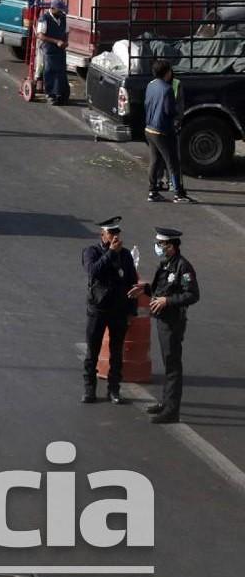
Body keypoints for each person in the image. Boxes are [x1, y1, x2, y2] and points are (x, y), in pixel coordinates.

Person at [131, 226, 197, 424]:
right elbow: (162, 290)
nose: (158, 247)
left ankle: (172, 410)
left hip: (173, 322)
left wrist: (167, 302)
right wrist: (145, 290)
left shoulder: (182, 267)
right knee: (168, 363)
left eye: (161, 243)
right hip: (163, 320)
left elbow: (192, 295)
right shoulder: (166, 264)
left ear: (171, 246)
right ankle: (165, 402)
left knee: (173, 365)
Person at [80, 216, 138, 405]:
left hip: (118, 310)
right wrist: (111, 253)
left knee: (116, 352)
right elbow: (93, 271)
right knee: (92, 352)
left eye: (117, 233)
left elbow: (132, 283)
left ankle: (114, 389)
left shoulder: (126, 255)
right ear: (102, 235)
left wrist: (132, 310)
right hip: (98, 309)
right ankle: (89, 389)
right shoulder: (92, 251)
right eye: (111, 233)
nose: (115, 237)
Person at [144, 59, 192, 202]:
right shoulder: (167, 89)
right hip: (163, 130)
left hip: (149, 128)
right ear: (167, 72)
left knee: (155, 161)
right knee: (173, 163)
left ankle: (153, 192)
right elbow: (169, 111)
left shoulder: (150, 85)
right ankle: (179, 194)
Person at [37, 0, 68, 104]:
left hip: (60, 49)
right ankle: (50, 94)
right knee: (50, 71)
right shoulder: (44, 18)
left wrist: (65, 42)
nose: (61, 12)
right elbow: (40, 35)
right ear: (53, 9)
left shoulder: (63, 18)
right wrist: (56, 41)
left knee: (61, 71)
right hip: (48, 48)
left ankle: (61, 94)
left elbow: (66, 32)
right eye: (59, 10)